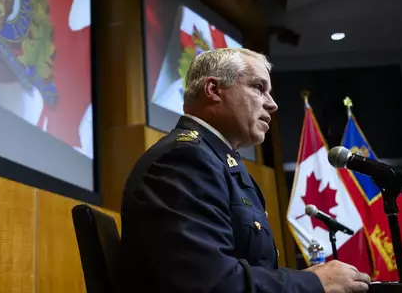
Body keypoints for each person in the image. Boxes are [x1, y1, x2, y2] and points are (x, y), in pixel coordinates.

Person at [119, 48, 371, 293]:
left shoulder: (216, 161)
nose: (272, 105)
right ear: (214, 90)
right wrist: (314, 284)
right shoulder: (184, 160)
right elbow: (212, 283)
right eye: (259, 88)